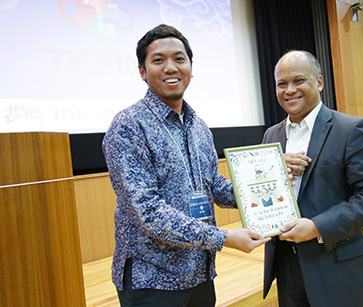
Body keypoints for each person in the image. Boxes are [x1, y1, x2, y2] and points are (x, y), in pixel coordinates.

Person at [102, 24, 269, 307]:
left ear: (191, 67)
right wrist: (223, 237)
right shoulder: (127, 126)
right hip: (152, 280)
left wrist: (264, 189)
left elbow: (213, 184)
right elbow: (149, 213)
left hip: (200, 274)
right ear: (142, 71)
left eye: (180, 59)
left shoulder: (199, 126)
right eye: (158, 60)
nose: (171, 68)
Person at [262, 50, 363, 307]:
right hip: (288, 269)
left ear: (319, 82)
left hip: (338, 268)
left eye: (299, 81)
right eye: (282, 83)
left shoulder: (351, 129)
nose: (289, 90)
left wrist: (318, 226)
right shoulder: (270, 136)